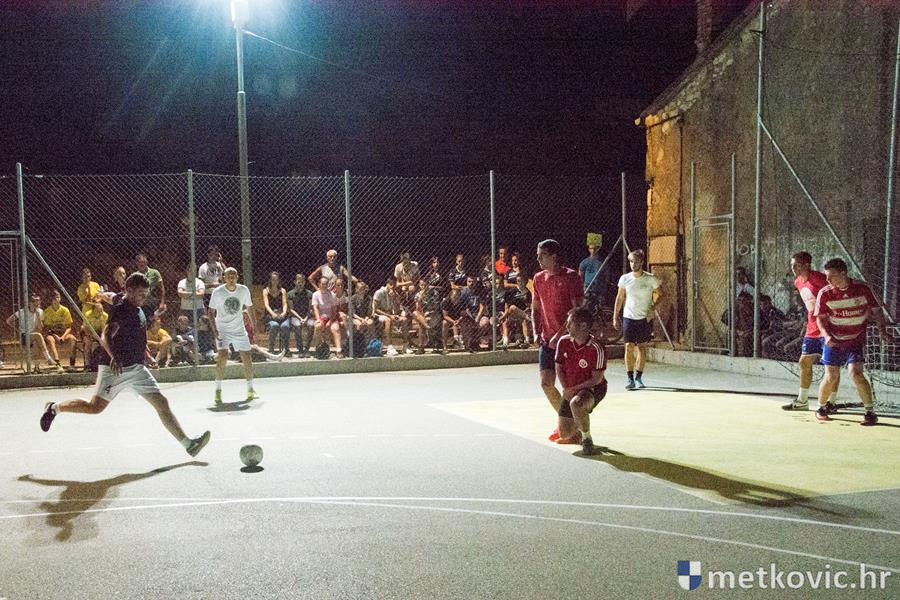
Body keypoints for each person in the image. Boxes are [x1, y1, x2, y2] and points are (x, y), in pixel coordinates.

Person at [39, 272, 211, 457]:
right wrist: (114, 357)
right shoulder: (122, 310)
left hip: (137, 368)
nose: (144, 298)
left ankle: (189, 445)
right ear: (129, 290)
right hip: (115, 369)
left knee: (162, 402)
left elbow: (112, 296)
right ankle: (54, 408)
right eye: (140, 294)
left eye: (146, 294)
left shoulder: (124, 299)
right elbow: (106, 335)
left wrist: (101, 295)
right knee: (94, 407)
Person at [813, 258, 894, 426]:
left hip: (855, 339)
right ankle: (820, 408)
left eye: (831, 276)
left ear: (843, 273)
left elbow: (877, 311)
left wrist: (882, 331)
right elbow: (820, 319)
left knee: (856, 373)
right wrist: (826, 336)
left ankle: (870, 412)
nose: (828, 280)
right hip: (834, 340)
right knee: (831, 376)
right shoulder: (825, 293)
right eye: (826, 276)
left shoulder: (863, 289)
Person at [532, 239, 583, 441]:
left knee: (568, 387)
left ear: (554, 256)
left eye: (542, 255)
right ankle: (568, 422)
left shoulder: (571, 277)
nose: (538, 260)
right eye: (537, 255)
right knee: (546, 383)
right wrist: (536, 331)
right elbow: (536, 308)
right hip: (547, 341)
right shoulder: (538, 279)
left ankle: (573, 427)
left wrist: (560, 334)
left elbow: (576, 311)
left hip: (567, 341)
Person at [783, 251, 835, 411]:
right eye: (792, 265)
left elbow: (835, 296)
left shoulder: (819, 279)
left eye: (797, 265)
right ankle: (802, 401)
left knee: (832, 367)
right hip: (812, 328)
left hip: (828, 326)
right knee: (804, 362)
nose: (793, 268)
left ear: (807, 265)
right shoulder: (798, 282)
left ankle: (831, 403)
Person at [554, 306, 608, 454]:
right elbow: (559, 367)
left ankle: (587, 440)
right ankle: (580, 425)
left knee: (577, 404)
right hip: (571, 387)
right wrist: (566, 388)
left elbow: (596, 379)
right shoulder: (563, 342)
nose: (566, 326)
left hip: (593, 387)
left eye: (570, 323)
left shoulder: (596, 348)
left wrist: (574, 390)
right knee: (565, 433)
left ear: (583, 326)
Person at [613, 249, 661, 390]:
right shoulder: (625, 279)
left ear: (642, 262)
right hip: (629, 317)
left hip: (643, 318)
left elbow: (660, 294)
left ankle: (639, 378)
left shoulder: (650, 278)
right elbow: (620, 297)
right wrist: (615, 316)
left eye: (636, 261)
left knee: (641, 347)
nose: (633, 264)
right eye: (631, 261)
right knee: (628, 346)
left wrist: (653, 307)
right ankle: (630, 378)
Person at [208, 267, 256, 404]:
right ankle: (218, 390)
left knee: (247, 357)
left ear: (237, 277)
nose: (231, 278)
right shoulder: (218, 292)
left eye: (233, 275)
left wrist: (254, 326)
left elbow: (249, 308)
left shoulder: (243, 290)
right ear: (224, 277)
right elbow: (210, 312)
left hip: (239, 329)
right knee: (223, 356)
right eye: (228, 276)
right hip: (222, 329)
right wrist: (215, 330)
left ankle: (250, 388)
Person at [6, 294, 56, 373]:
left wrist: (37, 315)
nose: (38, 302)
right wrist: (17, 330)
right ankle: (48, 359)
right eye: (35, 301)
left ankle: (36, 367)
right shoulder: (22, 312)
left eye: (39, 300)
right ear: (30, 303)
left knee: (36, 342)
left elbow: (40, 328)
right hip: (24, 335)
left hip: (34, 335)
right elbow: (8, 321)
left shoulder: (40, 311)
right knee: (38, 335)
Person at [373, 275, 408, 356]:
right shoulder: (379, 292)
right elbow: (376, 309)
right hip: (379, 315)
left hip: (391, 314)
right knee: (387, 320)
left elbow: (397, 310)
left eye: (394, 284)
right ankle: (389, 346)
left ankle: (406, 345)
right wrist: (389, 315)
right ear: (387, 284)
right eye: (391, 284)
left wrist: (394, 299)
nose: (392, 287)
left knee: (404, 319)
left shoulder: (395, 294)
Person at [43, 290, 76, 372]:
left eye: (57, 297)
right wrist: (55, 336)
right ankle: (58, 364)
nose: (55, 299)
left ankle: (72, 365)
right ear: (50, 299)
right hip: (52, 334)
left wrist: (63, 337)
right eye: (53, 298)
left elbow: (69, 327)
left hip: (63, 334)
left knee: (73, 339)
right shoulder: (47, 311)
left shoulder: (65, 310)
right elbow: (47, 328)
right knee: (50, 340)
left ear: (60, 298)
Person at [312, 275, 343, 358]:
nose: (324, 286)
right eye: (322, 284)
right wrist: (318, 319)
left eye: (326, 284)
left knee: (336, 328)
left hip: (331, 317)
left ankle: (339, 350)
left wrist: (330, 321)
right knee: (318, 326)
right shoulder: (315, 294)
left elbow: (334, 310)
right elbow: (315, 308)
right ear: (319, 284)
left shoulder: (332, 295)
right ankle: (319, 348)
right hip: (321, 317)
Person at [287, 272, 314, 357]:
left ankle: (307, 349)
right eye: (298, 282)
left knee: (311, 325)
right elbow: (291, 309)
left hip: (307, 316)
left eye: (302, 281)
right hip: (295, 316)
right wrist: (300, 318)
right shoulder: (290, 294)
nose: (300, 283)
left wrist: (305, 318)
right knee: (297, 325)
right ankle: (300, 349)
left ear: (304, 282)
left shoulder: (309, 293)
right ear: (295, 282)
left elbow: (310, 308)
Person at [262, 271, 290, 354]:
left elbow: (284, 304)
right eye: (273, 279)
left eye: (276, 279)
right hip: (271, 315)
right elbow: (266, 305)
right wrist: (272, 314)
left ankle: (286, 349)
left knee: (285, 326)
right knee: (274, 326)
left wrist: (284, 313)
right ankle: (271, 348)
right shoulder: (266, 291)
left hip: (281, 314)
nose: (275, 281)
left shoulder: (283, 290)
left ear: (279, 280)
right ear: (270, 280)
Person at [81, 293, 109, 371]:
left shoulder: (105, 315)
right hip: (88, 333)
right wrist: (93, 336)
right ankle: (87, 365)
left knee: (107, 343)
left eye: (101, 310)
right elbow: (85, 328)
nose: (100, 312)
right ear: (93, 310)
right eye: (98, 311)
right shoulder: (88, 314)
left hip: (99, 333)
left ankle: (105, 363)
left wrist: (102, 339)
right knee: (88, 344)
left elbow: (104, 330)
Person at [504, 274, 533, 347]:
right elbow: (507, 306)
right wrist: (505, 315)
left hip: (522, 313)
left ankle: (527, 341)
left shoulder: (527, 292)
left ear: (525, 281)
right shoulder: (512, 291)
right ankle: (505, 342)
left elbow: (528, 307)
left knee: (524, 320)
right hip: (511, 313)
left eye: (521, 281)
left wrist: (522, 313)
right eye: (518, 281)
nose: (519, 282)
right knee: (513, 307)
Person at [579, 242, 608, 310]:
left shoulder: (603, 261)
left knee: (600, 308)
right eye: (591, 248)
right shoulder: (585, 262)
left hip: (600, 287)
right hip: (588, 287)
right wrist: (582, 286)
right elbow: (580, 276)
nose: (593, 250)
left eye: (595, 248)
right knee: (585, 306)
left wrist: (605, 284)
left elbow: (607, 274)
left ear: (598, 249)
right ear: (589, 249)